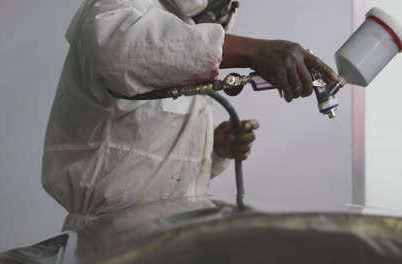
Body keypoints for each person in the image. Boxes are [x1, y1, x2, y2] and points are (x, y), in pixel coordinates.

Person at [42, 0, 339, 229]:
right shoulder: (123, 7)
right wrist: (252, 50)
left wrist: (214, 148)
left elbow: (143, 150)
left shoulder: (186, 30)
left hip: (172, 229)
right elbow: (118, 53)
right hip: (109, 237)